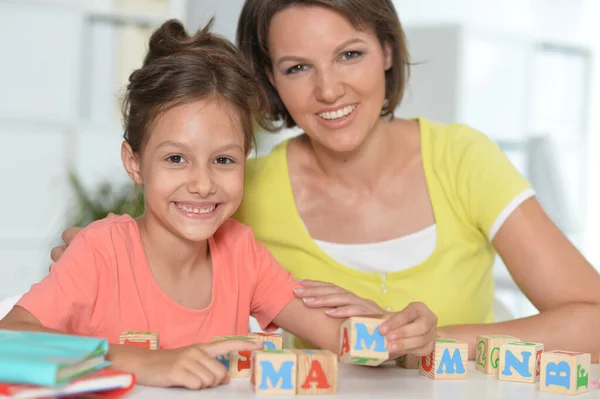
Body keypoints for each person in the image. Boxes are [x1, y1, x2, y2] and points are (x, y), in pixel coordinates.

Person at [53, 0, 600, 360]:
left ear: (387, 51)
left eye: (349, 55)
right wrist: (103, 250)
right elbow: (152, 248)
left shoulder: (462, 159)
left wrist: (428, 342)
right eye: (297, 68)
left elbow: (592, 323)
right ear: (271, 79)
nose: (329, 90)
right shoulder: (239, 187)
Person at [0, 19, 410, 390]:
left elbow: (346, 340)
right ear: (135, 163)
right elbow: (9, 338)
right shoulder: (100, 252)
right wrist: (142, 361)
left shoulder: (241, 254)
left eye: (224, 160)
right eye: (176, 158)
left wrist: (402, 335)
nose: (202, 184)